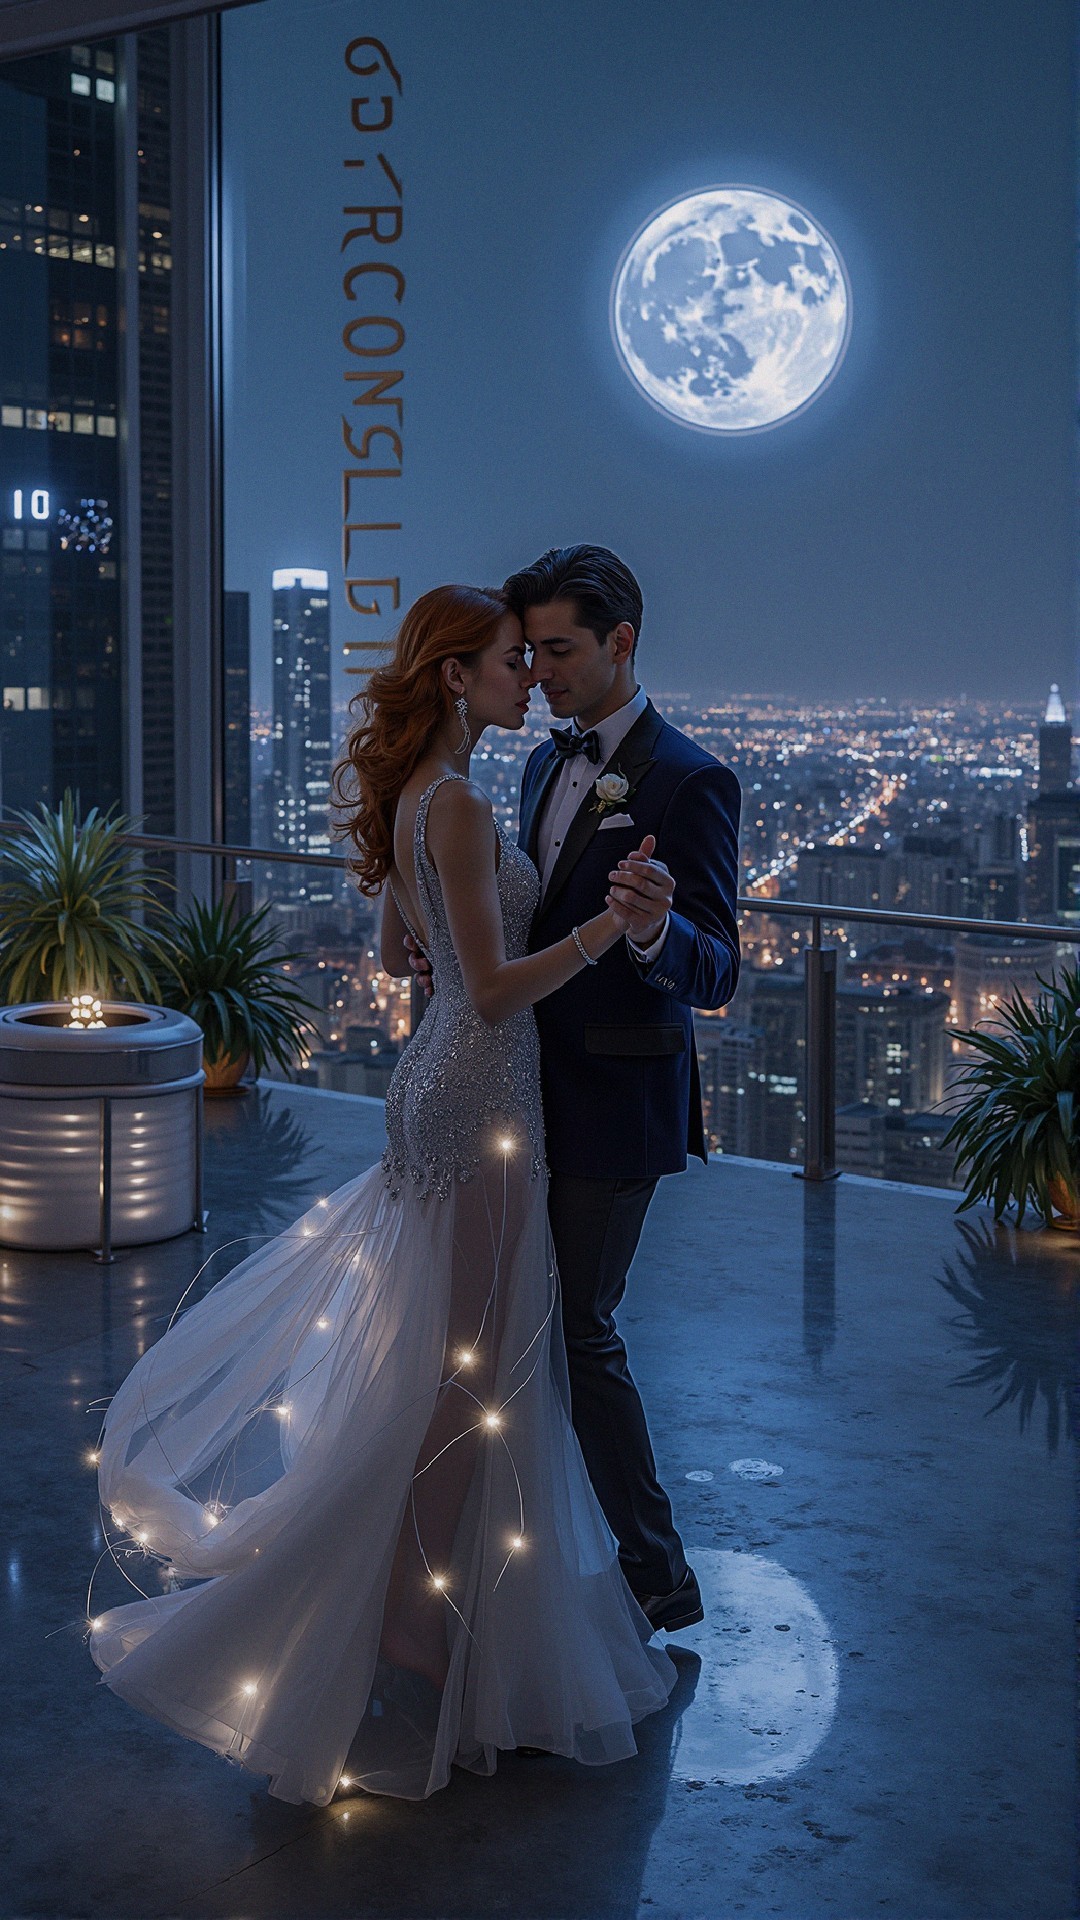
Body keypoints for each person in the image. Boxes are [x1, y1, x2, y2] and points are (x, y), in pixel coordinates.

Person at [88, 584, 675, 1808]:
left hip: (437, 1084)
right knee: (471, 1377)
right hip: (481, 1094)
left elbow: (394, 951)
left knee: (439, 1361)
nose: (527, 679)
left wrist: (434, 941)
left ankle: (420, 1603)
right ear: (456, 676)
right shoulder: (456, 803)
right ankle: (412, 1616)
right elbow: (491, 991)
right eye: (509, 661)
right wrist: (603, 931)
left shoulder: (417, 794)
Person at [411, 546, 741, 1632]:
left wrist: (649, 931)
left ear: (621, 643)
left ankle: (655, 1573)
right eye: (529, 654)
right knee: (511, 1333)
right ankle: (527, 1561)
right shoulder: (537, 767)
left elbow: (718, 969)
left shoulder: (690, 779)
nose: (540, 672)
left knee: (578, 1334)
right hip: (514, 1094)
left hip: (611, 1106)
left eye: (557, 650)